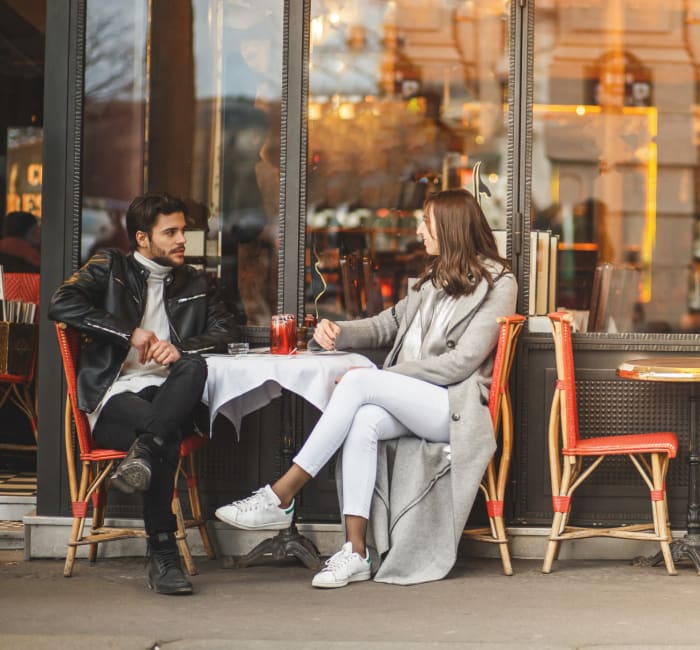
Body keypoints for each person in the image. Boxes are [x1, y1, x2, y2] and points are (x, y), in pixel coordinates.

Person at [215, 188, 518, 588]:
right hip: (416, 400)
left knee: (359, 384)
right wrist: (340, 334)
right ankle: (355, 551)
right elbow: (388, 323)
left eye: (425, 222)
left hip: (455, 407)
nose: (417, 229)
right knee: (365, 420)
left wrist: (383, 379)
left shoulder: (499, 282)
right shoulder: (430, 279)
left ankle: (281, 494)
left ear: (450, 227)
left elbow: (461, 362)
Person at [49, 192, 238, 595]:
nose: (181, 240)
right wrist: (128, 333)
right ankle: (163, 553)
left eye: (183, 231)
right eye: (169, 232)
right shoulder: (110, 268)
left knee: (193, 367)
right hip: (115, 400)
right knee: (165, 436)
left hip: (172, 393)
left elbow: (228, 332)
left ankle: (145, 453)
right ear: (141, 238)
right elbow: (61, 303)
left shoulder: (196, 282)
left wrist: (181, 349)